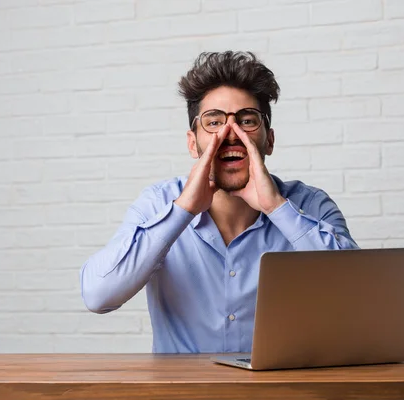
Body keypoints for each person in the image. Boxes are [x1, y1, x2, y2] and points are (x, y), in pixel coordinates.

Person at [80, 51, 359, 353]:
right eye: (213, 122)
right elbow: (98, 296)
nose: (230, 134)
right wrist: (183, 210)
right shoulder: (158, 203)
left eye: (247, 121)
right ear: (192, 142)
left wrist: (277, 208)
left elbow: (358, 298)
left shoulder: (310, 204)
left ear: (269, 140)